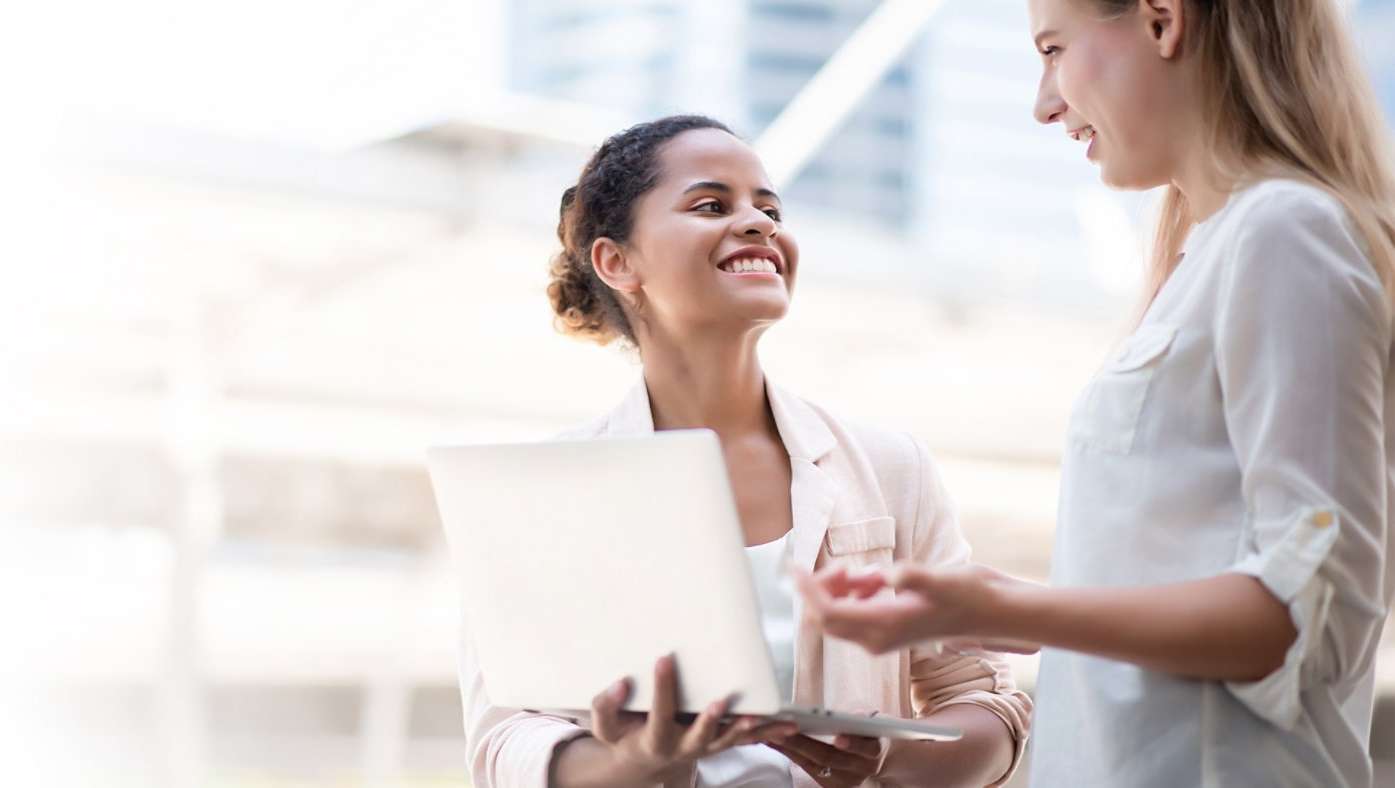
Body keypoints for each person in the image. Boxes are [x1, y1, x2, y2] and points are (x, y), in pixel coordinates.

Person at [798, 1, 1395, 785]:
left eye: (1053, 49)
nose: (1043, 103)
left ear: (1161, 20)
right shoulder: (1202, 257)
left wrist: (997, 610)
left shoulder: (1284, 233)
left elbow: (1303, 624)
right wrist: (992, 597)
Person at [457, 114, 1032, 788]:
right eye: (711, 205)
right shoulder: (544, 492)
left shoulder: (889, 468)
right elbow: (506, 741)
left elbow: (987, 705)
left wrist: (889, 755)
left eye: (770, 208)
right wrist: (635, 762)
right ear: (618, 262)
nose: (760, 223)